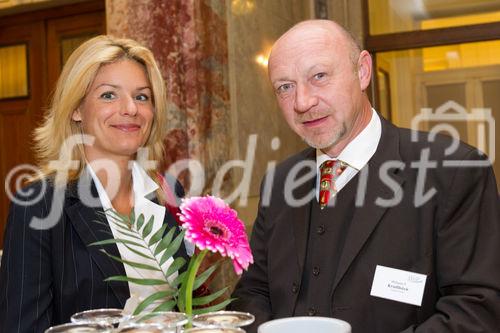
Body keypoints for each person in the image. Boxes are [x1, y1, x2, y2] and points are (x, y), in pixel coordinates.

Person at [230, 20, 500, 332]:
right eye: (285, 87)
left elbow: (476, 310)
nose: (303, 102)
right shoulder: (279, 183)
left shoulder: (454, 171)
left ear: (362, 71)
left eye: (319, 76)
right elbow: (252, 293)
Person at [0, 35, 187, 332]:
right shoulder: (40, 204)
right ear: (76, 109)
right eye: (109, 95)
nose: (130, 109)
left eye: (142, 96)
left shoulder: (168, 194)